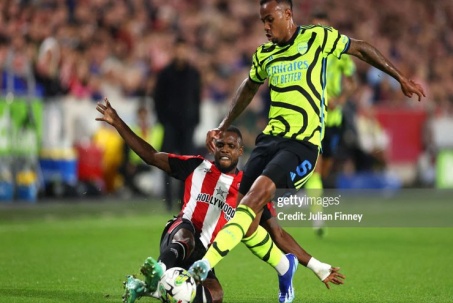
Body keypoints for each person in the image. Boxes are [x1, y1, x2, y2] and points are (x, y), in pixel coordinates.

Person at [189, 0, 425, 290]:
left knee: (254, 200)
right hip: (268, 141)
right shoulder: (264, 54)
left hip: (302, 144)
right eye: (262, 20)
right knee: (245, 217)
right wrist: (224, 124)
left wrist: (400, 77)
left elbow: (361, 47)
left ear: (287, 14)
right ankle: (286, 265)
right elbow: (250, 86)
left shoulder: (317, 37)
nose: (264, 26)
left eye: (269, 19)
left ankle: (200, 269)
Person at [95, 98, 344, 303]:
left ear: (240, 151)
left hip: (205, 254)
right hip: (179, 233)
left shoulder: (252, 190)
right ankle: (160, 270)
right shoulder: (196, 166)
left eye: (231, 145)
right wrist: (117, 122)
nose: (225, 148)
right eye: (221, 144)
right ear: (214, 148)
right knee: (187, 237)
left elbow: (279, 236)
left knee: (216, 296)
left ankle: (151, 288)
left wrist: (317, 266)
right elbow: (150, 156)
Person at [305, 10, 358, 236]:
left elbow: (352, 82)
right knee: (315, 169)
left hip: (334, 120)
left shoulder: (340, 52)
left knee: (324, 170)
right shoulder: (304, 51)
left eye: (323, 28)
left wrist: (341, 99)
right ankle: (317, 218)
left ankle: (311, 198)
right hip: (314, 117)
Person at [154, 37, 202, 212]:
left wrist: (195, 120)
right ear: (174, 51)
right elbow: (157, 99)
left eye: (184, 49)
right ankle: (168, 200)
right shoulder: (165, 74)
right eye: (178, 49)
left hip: (187, 126)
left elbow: (197, 99)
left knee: (187, 165)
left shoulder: (194, 74)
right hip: (170, 125)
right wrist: (163, 120)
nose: (181, 53)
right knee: (167, 162)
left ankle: (184, 200)